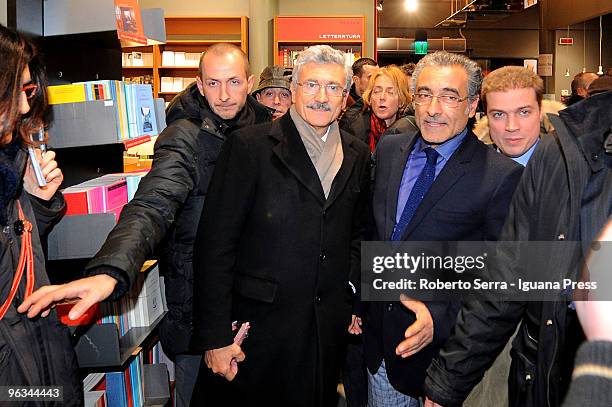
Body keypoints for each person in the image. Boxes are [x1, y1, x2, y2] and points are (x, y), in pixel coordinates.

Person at [19, 42, 271, 407]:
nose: (225, 95)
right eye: (213, 84)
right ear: (199, 85)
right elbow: (152, 204)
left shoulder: (265, 131)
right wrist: (111, 269)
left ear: (248, 83)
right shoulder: (183, 136)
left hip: (254, 303)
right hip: (197, 305)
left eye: (233, 82)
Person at [190, 44, 371, 407]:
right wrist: (214, 337)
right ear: (294, 91)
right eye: (312, 85)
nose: (322, 97)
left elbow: (357, 232)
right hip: (256, 333)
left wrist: (350, 294)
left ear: (346, 97)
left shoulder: (357, 153)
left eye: (333, 88)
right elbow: (215, 246)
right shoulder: (250, 147)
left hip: (324, 331)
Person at [424, 90, 612, 407]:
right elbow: (507, 274)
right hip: (545, 367)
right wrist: (448, 381)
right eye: (498, 114)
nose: (511, 126)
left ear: (539, 113)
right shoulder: (562, 154)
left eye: (523, 112)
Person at [361, 51, 523, 406]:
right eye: (424, 94)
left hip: (444, 360)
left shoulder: (500, 177)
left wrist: (440, 315)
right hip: (379, 351)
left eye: (450, 96)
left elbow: (499, 283)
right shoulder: (390, 150)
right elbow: (379, 235)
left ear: (471, 105)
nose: (434, 108)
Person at [0, 24, 82, 404]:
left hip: (38, 359)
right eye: (14, 91)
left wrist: (38, 201)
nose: (23, 106)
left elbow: (22, 257)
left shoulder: (11, 160)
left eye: (27, 90)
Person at [340, 65, 416, 152]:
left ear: (401, 101)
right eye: (377, 91)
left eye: (390, 92)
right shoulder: (352, 127)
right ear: (370, 98)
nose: (382, 97)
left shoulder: (411, 131)